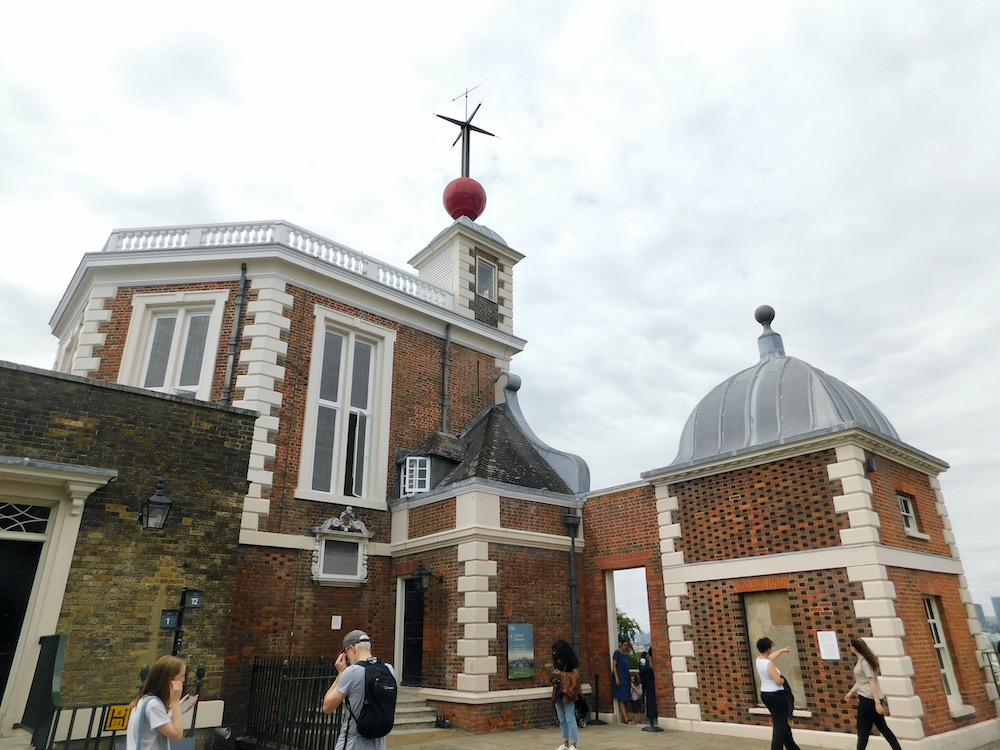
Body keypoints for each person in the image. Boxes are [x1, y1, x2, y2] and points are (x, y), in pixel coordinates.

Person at [322, 630, 396, 750]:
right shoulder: (388, 669)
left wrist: (341, 674)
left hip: (353, 743)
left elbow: (327, 706)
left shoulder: (353, 672)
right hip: (379, 743)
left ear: (352, 648)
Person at [126, 655, 197, 750]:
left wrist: (178, 709)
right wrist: (175, 702)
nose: (183, 680)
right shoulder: (153, 705)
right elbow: (176, 735)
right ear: (169, 680)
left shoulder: (145, 700)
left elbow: (161, 722)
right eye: (182, 676)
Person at [844, 637, 902, 750]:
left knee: (863, 730)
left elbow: (872, 682)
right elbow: (862, 681)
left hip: (868, 699)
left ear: (854, 648)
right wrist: (851, 692)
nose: (850, 648)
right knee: (883, 728)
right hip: (870, 698)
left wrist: (877, 703)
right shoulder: (862, 661)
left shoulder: (864, 662)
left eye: (850, 645)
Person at [756, 637, 801, 750]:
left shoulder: (759, 660)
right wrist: (783, 680)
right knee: (780, 726)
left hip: (765, 694)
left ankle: (793, 748)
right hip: (776, 696)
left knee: (782, 724)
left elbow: (770, 658)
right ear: (768, 649)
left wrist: (781, 650)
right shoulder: (768, 664)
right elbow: (777, 681)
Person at [551, 639, 581, 750]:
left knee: (570, 717)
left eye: (556, 651)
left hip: (567, 691)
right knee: (561, 719)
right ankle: (565, 742)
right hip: (558, 689)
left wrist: (561, 674)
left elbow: (576, 675)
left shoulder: (570, 662)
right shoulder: (556, 661)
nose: (554, 653)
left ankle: (574, 744)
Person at [611, 639, 635, 724]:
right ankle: (626, 719)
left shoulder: (626, 656)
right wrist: (617, 678)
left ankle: (628, 716)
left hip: (626, 679)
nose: (626, 647)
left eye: (627, 645)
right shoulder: (617, 653)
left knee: (626, 698)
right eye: (624, 645)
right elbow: (614, 666)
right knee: (622, 698)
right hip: (620, 678)